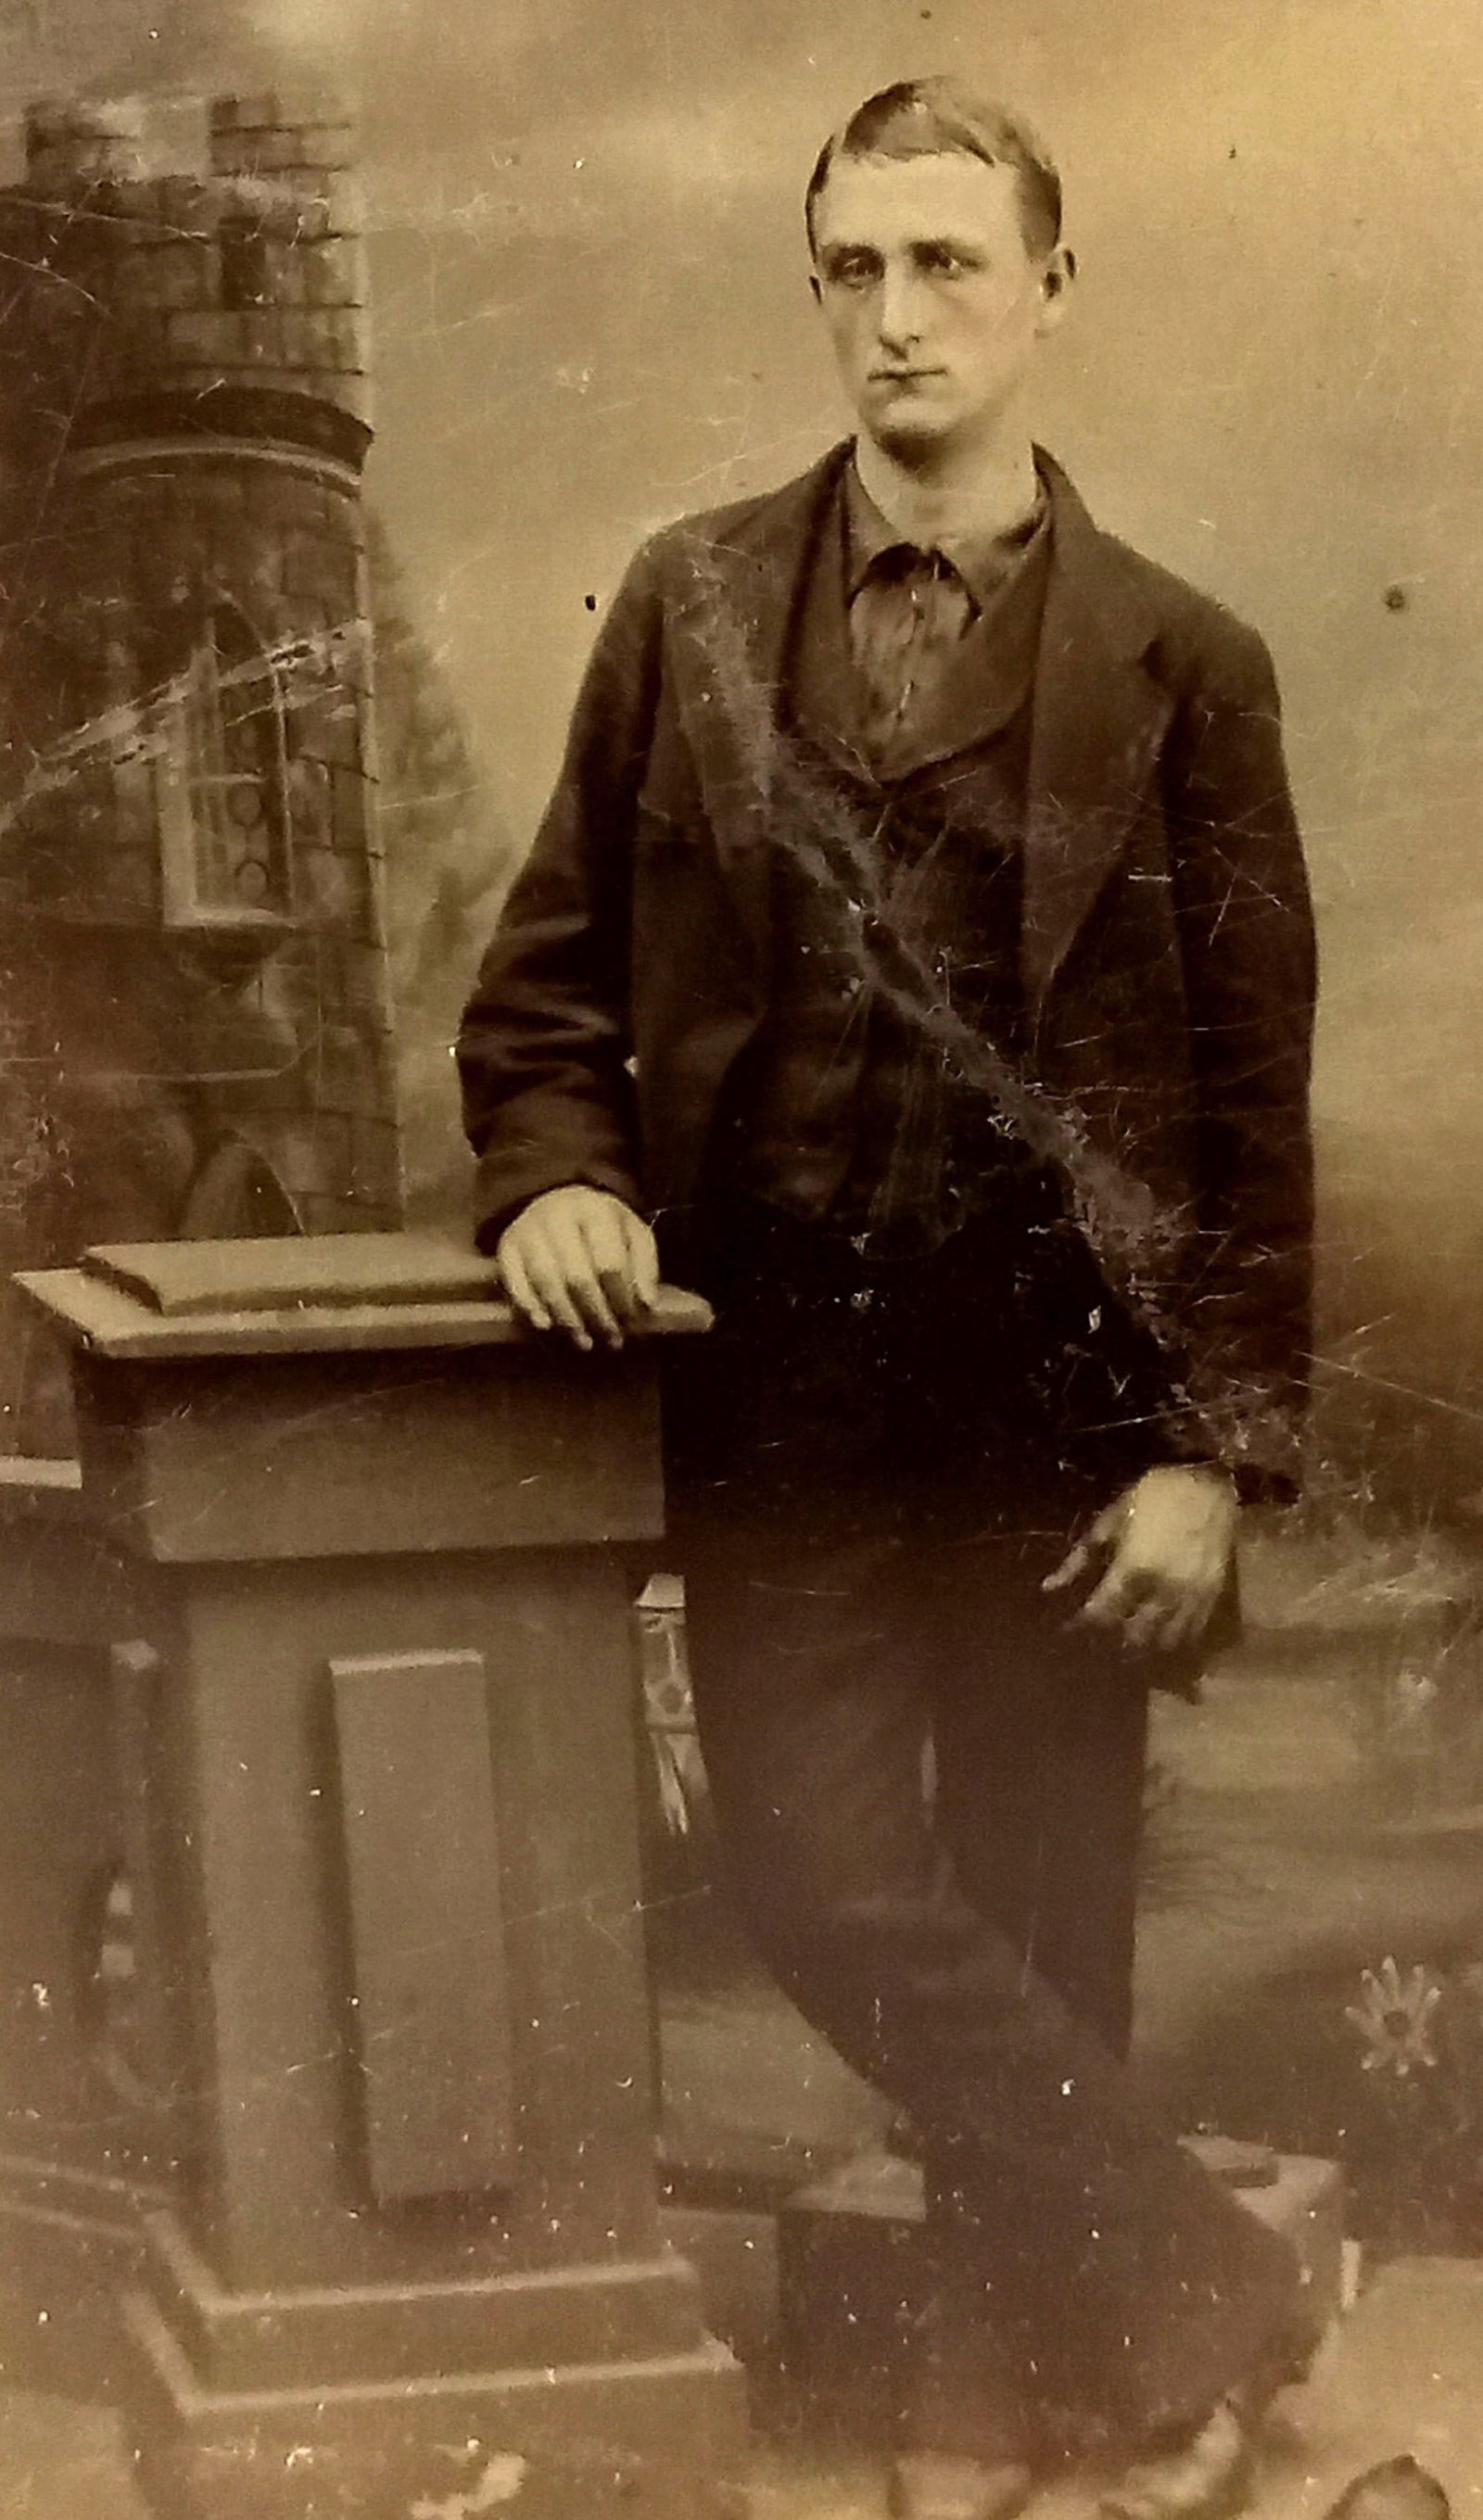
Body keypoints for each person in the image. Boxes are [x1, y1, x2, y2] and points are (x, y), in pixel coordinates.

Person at [458, 78, 1318, 2520]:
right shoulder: (689, 605)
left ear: (1053, 290)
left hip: (1067, 1423)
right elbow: (542, 995)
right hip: (784, 1406)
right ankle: (1208, 2298)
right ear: (815, 287)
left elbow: (1252, 1108)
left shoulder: (1187, 666)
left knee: (1048, 1921)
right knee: (819, 1877)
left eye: (949, 265)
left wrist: (1207, 1451)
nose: (898, 317)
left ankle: (1050, 2406)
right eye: (854, 268)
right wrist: (553, 1182)